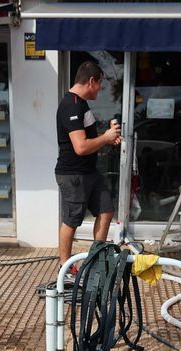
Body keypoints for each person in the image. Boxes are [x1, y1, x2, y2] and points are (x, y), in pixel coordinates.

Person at [55, 60, 122, 270]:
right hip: (73, 175)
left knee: (106, 210)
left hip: (89, 172)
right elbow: (81, 147)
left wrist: (107, 137)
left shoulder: (81, 104)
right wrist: (106, 137)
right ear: (91, 81)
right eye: (100, 83)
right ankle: (65, 267)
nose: (100, 89)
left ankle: (95, 262)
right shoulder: (71, 105)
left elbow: (87, 138)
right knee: (72, 220)